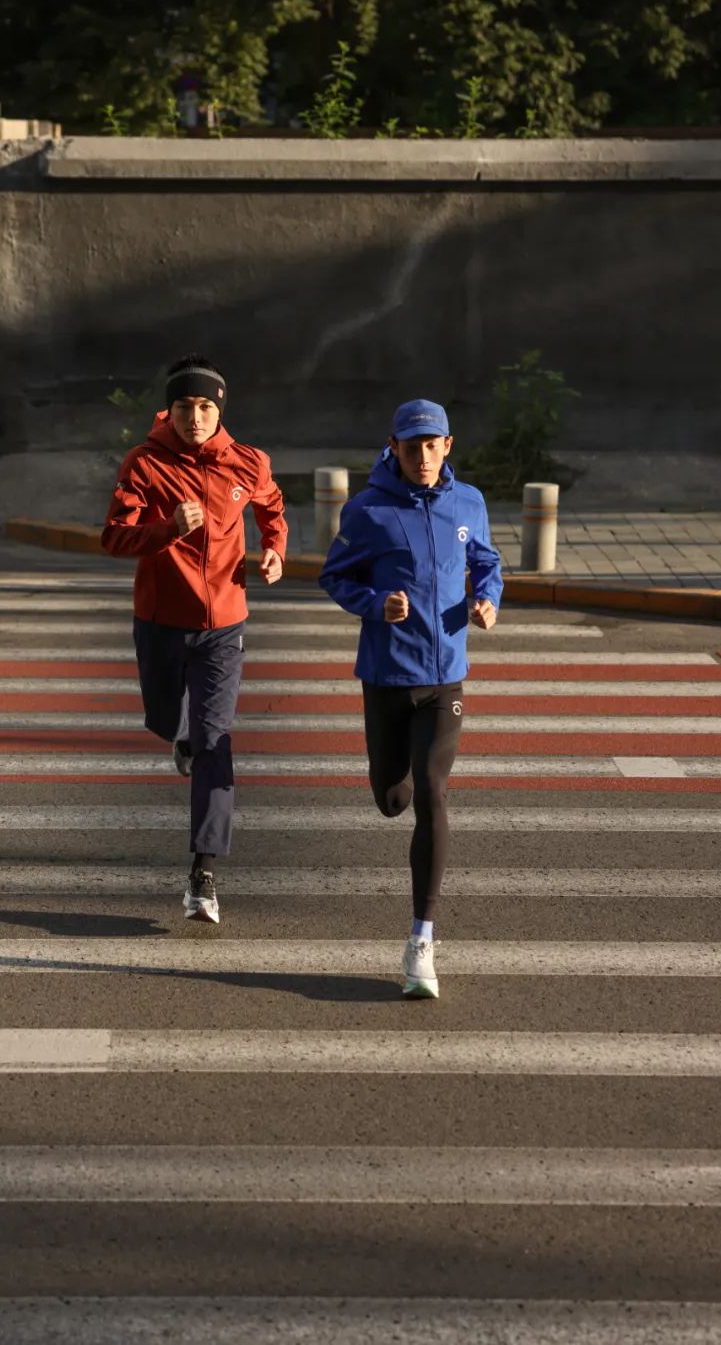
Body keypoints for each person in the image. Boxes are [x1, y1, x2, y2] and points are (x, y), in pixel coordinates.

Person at [318, 398, 502, 998]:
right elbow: (334, 575)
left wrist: (487, 599)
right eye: (411, 446)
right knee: (392, 797)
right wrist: (376, 604)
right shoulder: (367, 511)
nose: (422, 457)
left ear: (449, 446)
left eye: (433, 445)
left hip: (445, 677)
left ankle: (422, 937)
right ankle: (391, 788)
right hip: (386, 678)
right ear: (392, 447)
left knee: (431, 790)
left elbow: (486, 562)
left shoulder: (467, 503)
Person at [101, 355, 288, 925]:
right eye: (185, 406)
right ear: (171, 409)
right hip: (161, 623)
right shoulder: (144, 464)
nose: (196, 417)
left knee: (216, 740)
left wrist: (274, 548)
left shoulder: (247, 463)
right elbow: (113, 537)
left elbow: (272, 506)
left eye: (206, 407)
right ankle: (177, 737)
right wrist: (166, 530)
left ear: (219, 409)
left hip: (224, 627)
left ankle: (203, 872)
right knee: (167, 722)